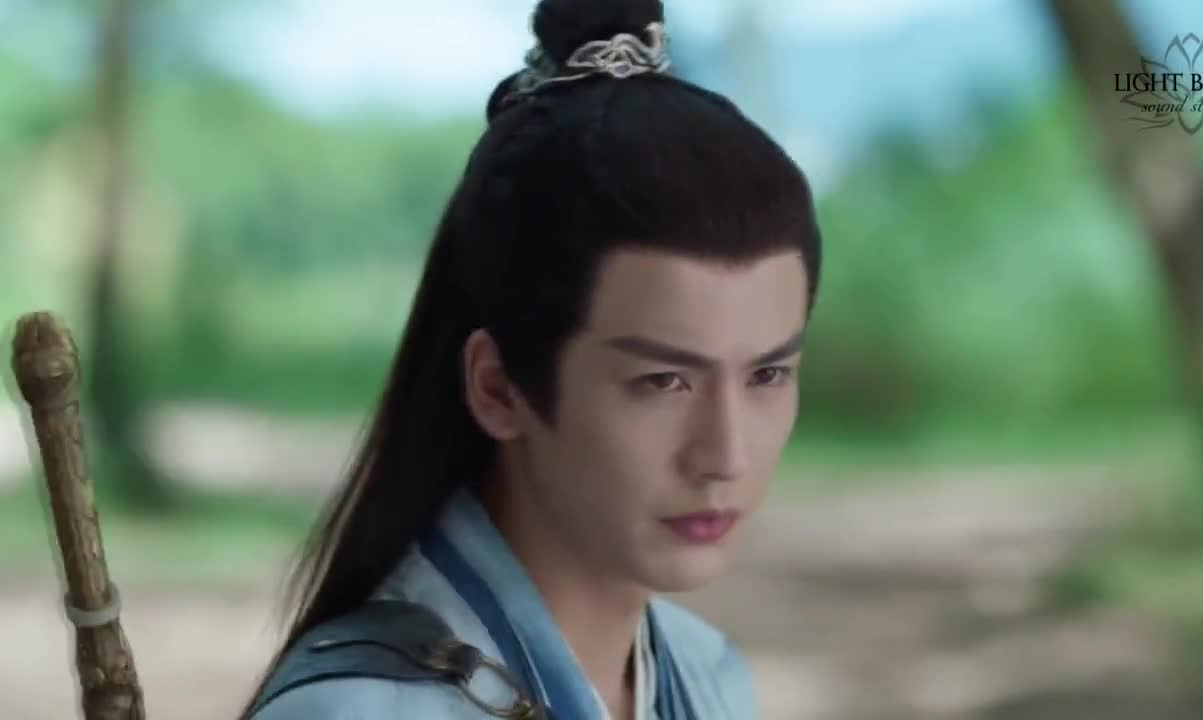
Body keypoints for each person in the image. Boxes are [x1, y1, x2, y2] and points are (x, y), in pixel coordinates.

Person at [242, 0, 822, 717]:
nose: (725, 456)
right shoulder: (362, 710)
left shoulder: (711, 679)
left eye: (767, 374)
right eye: (664, 381)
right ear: (499, 386)